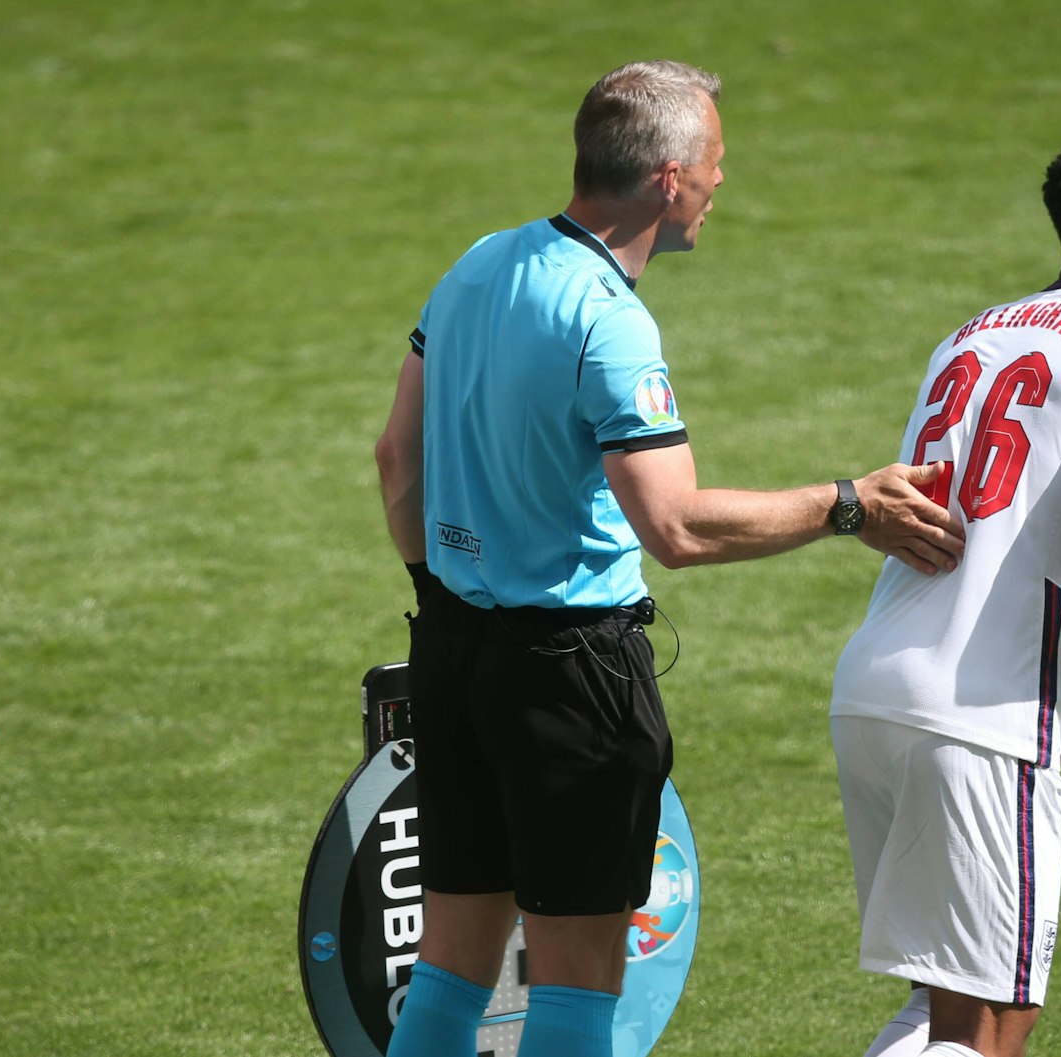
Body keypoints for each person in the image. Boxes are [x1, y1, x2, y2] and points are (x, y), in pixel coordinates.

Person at [373, 60, 966, 1057]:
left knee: (449, 970)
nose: (720, 180)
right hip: (568, 680)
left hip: (452, 655)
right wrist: (848, 505)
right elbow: (676, 526)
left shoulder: (475, 265)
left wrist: (440, 593)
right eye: (715, 161)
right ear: (667, 177)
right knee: (574, 986)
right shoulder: (608, 320)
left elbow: (396, 455)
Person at [828, 127, 1061, 1057]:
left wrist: (1055, 693)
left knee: (947, 1006)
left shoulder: (969, 335)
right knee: (991, 1020)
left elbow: (961, 538)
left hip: (875, 690)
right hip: (979, 720)